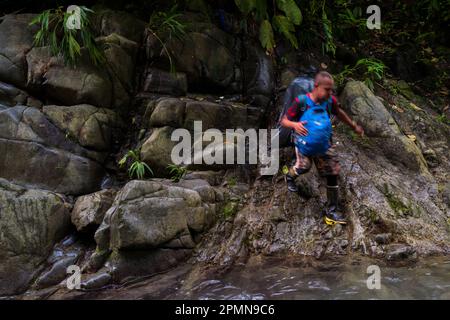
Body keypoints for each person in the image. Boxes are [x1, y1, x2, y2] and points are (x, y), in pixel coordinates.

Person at [280, 71, 364, 225]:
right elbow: (284, 120)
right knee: (303, 167)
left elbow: (340, 114)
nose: (330, 92)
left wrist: (354, 126)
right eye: (327, 89)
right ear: (316, 86)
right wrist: (294, 125)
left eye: (331, 89)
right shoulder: (301, 102)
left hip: (324, 145)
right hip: (304, 144)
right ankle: (289, 175)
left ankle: (331, 211)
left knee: (332, 172)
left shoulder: (329, 101)